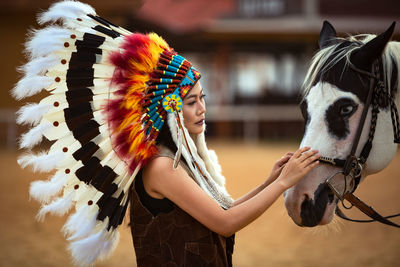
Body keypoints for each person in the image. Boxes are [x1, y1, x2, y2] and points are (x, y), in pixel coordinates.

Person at [13, 1, 319, 266]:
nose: (202, 109)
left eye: (203, 99)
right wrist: (283, 183)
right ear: (169, 109)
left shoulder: (176, 160)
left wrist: (270, 180)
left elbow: (223, 209)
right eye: (191, 101)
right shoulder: (161, 167)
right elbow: (225, 224)